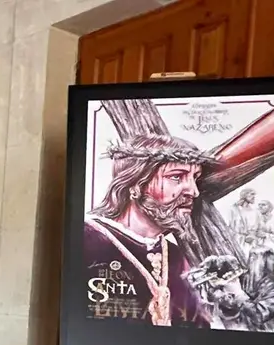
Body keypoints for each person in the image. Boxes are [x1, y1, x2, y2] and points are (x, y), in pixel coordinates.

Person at [84, 134, 211, 327]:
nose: (193, 191)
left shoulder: (175, 256)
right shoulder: (86, 239)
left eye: (194, 178)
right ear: (135, 184)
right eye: (176, 177)